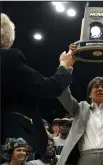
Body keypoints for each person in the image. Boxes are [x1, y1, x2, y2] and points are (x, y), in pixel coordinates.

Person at [1, 13, 74, 154]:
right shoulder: (9, 63)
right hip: (11, 145)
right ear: (7, 35)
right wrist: (64, 66)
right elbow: (49, 88)